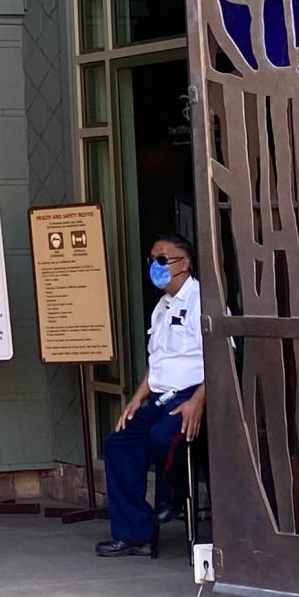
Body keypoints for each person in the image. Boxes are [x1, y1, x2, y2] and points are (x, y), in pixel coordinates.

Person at [96, 234, 204, 557]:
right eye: (152, 260)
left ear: (185, 263)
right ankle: (134, 534)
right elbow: (157, 363)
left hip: (192, 397)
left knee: (162, 436)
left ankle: (173, 496)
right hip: (159, 397)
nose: (155, 267)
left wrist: (198, 401)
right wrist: (136, 398)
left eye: (162, 260)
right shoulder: (161, 307)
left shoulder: (202, 301)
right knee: (119, 444)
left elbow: (223, 358)